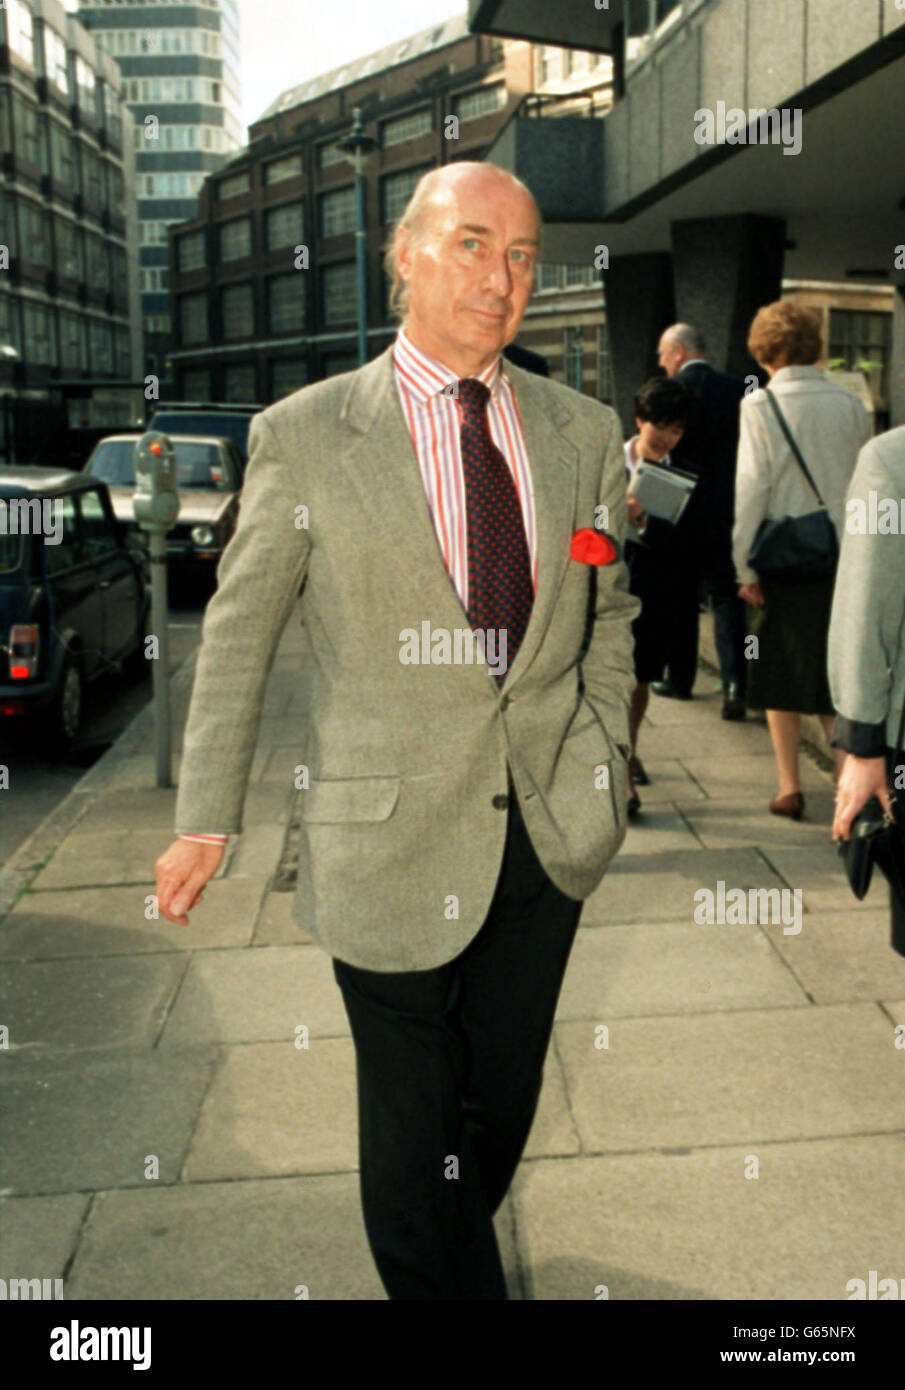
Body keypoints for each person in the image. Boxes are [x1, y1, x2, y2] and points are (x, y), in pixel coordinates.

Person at [152, 161, 640, 1301]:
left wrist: (603, 767)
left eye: (520, 254)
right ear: (405, 255)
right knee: (416, 1132)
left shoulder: (580, 430)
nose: (500, 275)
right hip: (380, 838)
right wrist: (205, 821)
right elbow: (238, 633)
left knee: (497, 1108)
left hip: (545, 831)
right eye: (471, 243)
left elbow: (609, 602)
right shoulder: (307, 435)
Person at [732, 301, 872, 819]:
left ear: (765, 349)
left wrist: (742, 565)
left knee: (781, 673)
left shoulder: (760, 406)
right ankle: (846, 786)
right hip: (843, 556)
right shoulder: (849, 405)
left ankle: (789, 786)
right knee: (835, 676)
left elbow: (752, 489)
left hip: (784, 561)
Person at [829, 422, 905, 954]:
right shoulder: (891, 461)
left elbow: (865, 607)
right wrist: (863, 743)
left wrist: (861, 743)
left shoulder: (891, 458)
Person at [656, 323, 748, 718]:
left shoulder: (670, 393)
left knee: (681, 598)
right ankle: (736, 684)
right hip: (729, 511)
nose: (661, 363)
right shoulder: (740, 389)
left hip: (681, 512)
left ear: (678, 351)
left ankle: (680, 680)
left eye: (663, 354)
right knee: (728, 599)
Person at [622, 376, 697, 816]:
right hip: (601, 588)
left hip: (653, 592)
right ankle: (617, 767)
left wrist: (645, 518)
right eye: (660, 426)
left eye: (676, 430)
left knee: (638, 681)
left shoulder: (686, 469)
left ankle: (626, 759)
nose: (667, 437)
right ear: (639, 421)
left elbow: (690, 539)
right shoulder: (606, 458)